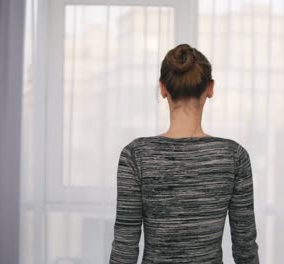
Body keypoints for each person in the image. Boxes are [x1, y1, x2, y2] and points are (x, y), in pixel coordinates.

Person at [109, 43, 260, 264]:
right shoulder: (234, 156)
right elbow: (245, 248)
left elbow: (125, 249)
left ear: (163, 88)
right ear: (210, 88)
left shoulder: (135, 155)